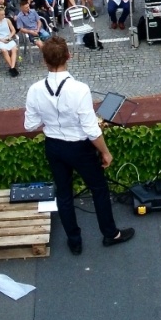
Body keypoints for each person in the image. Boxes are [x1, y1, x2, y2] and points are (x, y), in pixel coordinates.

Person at [23, 37, 133, 254]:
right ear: (69, 56)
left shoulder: (35, 90)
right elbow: (92, 130)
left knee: (63, 194)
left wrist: (51, 119)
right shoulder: (80, 89)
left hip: (54, 146)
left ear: (44, 60)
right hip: (80, 148)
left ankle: (74, 241)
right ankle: (110, 234)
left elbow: (30, 124)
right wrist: (105, 152)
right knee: (99, 190)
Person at [0, 6, 20, 76]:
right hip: (0, 40)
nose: (4, 16)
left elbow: (13, 30)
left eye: (4, 14)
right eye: (2, 15)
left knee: (14, 49)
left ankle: (12, 68)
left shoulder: (7, 20)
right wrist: (1, 39)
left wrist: (9, 37)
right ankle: (12, 67)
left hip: (8, 38)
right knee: (4, 51)